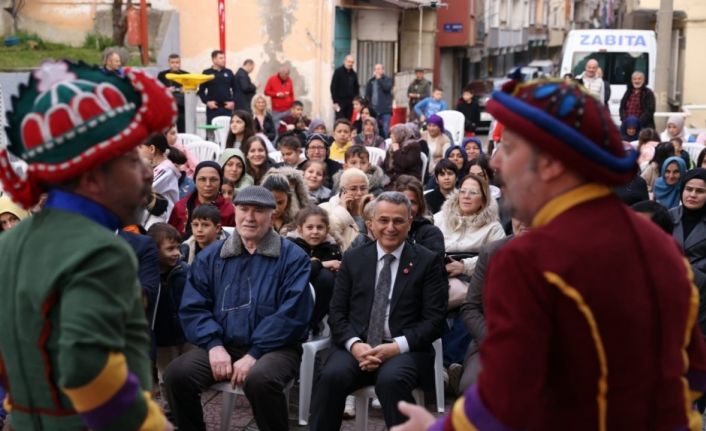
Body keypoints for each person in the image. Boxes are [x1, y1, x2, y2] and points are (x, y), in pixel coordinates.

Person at [395, 78, 706, 431]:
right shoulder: (660, 245)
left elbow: (506, 396)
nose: (495, 160)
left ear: (551, 164)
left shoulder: (532, 259)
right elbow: (694, 373)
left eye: (509, 147)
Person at [0, 60, 173, 429]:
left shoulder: (10, 243)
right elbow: (86, 367)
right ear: (93, 177)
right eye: (131, 160)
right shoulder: (101, 252)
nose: (147, 172)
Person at [164, 186, 314, 431]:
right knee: (177, 375)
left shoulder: (293, 258)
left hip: (275, 347)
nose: (250, 217)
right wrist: (213, 345)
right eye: (244, 209)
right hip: (223, 343)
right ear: (235, 212)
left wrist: (254, 353)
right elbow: (194, 306)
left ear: (272, 215)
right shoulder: (212, 256)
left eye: (259, 211)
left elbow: (292, 314)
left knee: (260, 380)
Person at [309, 191, 448, 430]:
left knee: (391, 380)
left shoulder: (428, 262)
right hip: (357, 346)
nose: (390, 227)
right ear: (371, 223)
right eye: (383, 220)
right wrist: (355, 344)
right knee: (331, 375)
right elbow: (337, 314)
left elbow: (434, 321)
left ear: (409, 223)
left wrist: (396, 347)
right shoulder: (353, 258)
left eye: (398, 220)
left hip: (405, 350)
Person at [456, 218, 528, 394]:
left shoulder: (563, 253)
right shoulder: (492, 252)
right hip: (491, 342)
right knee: (474, 387)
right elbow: (471, 307)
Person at [433, 175, 506, 309]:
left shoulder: (493, 227)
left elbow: (498, 259)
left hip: (471, 280)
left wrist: (464, 266)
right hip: (437, 274)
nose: (466, 196)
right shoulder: (438, 219)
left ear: (483, 200)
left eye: (473, 193)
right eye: (463, 191)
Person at [145, 222, 192, 399]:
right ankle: (171, 411)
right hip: (163, 338)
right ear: (154, 250)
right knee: (166, 376)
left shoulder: (184, 270)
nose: (177, 253)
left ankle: (187, 409)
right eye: (170, 248)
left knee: (187, 374)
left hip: (186, 334)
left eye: (178, 247)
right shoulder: (148, 276)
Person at [287, 206, 343, 333]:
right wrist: (323, 264)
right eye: (310, 227)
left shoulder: (332, 249)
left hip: (320, 305)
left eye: (320, 227)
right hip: (293, 298)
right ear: (300, 229)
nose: (315, 231)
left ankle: (311, 325)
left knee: (327, 277)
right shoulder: (291, 245)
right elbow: (297, 272)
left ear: (327, 229)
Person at [670, 169, 706, 334]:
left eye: (700, 191)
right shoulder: (668, 216)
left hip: (701, 290)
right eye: (688, 189)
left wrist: (691, 270)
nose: (692, 195)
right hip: (669, 286)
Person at [169, 161, 235, 238]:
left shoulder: (229, 210)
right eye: (202, 179)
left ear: (220, 182)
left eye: (213, 180)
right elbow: (171, 237)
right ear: (195, 181)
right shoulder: (180, 207)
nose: (208, 184)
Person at [319, 168, 371, 250]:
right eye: (353, 189)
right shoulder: (325, 209)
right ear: (343, 190)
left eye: (363, 188)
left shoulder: (372, 210)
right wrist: (342, 211)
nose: (359, 193)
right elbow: (327, 236)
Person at [394, 175, 445, 255]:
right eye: (403, 201)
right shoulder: (386, 230)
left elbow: (433, 264)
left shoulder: (431, 234)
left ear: (420, 205)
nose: (408, 207)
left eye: (412, 202)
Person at [138, 133, 183, 220]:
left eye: (140, 147)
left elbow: (142, 190)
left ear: (152, 149)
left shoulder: (166, 170)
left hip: (165, 219)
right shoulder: (157, 167)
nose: (137, 151)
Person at [198, 50, 236, 124]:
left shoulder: (229, 72)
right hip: (213, 108)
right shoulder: (207, 73)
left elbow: (236, 89)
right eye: (221, 58)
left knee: (227, 131)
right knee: (211, 132)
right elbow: (201, 90)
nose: (224, 60)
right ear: (214, 59)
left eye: (224, 58)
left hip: (227, 108)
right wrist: (207, 102)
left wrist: (233, 102)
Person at [157, 53, 189, 132]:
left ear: (180, 63)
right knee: (167, 130)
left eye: (177, 62)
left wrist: (186, 90)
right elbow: (157, 90)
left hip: (182, 108)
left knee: (183, 130)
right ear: (169, 63)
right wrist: (166, 90)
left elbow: (193, 89)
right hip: (168, 108)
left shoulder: (186, 75)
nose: (175, 65)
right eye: (172, 62)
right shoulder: (162, 75)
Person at [365, 64, 394, 138]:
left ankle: (384, 144)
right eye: (376, 69)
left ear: (383, 70)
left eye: (379, 69)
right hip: (374, 110)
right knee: (374, 128)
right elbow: (367, 95)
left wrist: (379, 79)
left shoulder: (387, 79)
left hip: (385, 109)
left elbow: (387, 88)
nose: (377, 71)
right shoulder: (371, 81)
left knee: (384, 129)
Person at [331, 54, 360, 120]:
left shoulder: (354, 74)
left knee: (348, 121)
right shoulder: (338, 72)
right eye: (349, 61)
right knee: (339, 120)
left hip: (350, 103)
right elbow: (333, 87)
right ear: (345, 61)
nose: (350, 64)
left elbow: (356, 88)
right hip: (339, 102)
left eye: (352, 62)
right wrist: (335, 101)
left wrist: (356, 101)